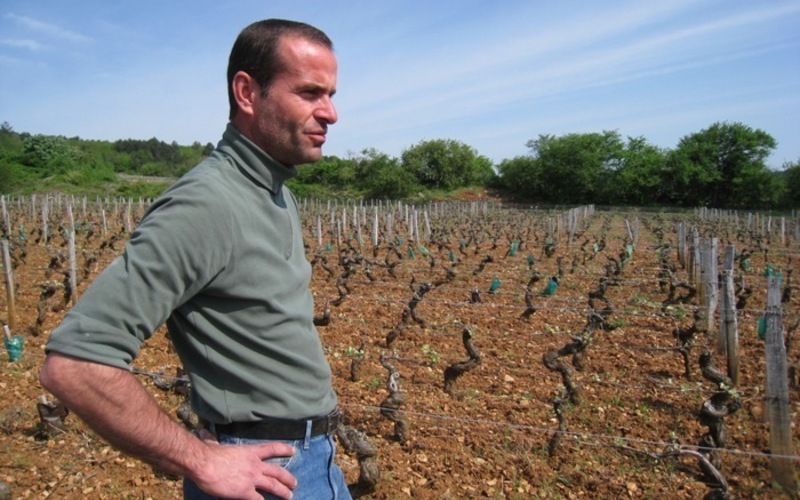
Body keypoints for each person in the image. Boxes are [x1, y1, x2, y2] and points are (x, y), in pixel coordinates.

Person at [39, 19, 350, 500]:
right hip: (268, 474)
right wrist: (197, 458)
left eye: (330, 94)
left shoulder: (274, 191)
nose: (330, 112)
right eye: (310, 92)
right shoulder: (207, 204)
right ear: (247, 93)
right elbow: (75, 363)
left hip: (309, 460)